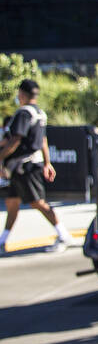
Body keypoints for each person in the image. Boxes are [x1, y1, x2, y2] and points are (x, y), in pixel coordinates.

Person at [0, 79, 71, 254]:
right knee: (12, 203)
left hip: (26, 166)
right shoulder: (40, 113)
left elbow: (15, 140)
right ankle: (3, 240)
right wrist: (47, 162)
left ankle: (63, 234)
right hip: (24, 166)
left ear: (22, 94)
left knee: (38, 202)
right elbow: (44, 141)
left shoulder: (24, 113)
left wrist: (0, 157)